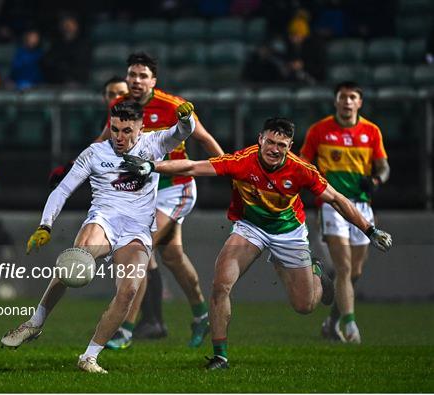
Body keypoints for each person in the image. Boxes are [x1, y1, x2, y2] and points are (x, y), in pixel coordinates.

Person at [120, 117, 392, 369]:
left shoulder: (301, 170)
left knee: (305, 305)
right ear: (260, 138)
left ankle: (317, 275)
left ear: (290, 147)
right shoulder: (242, 160)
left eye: (281, 145)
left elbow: (337, 199)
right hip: (250, 228)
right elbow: (193, 167)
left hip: (289, 234)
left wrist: (370, 230)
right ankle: (220, 355)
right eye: (270, 142)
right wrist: (152, 166)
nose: (274, 149)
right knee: (220, 283)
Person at [1, 100, 197, 374]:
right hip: (103, 221)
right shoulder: (95, 153)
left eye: (127, 130)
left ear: (141, 127)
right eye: (115, 129)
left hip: (136, 232)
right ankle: (34, 323)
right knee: (73, 263)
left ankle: (89, 356)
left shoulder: (154, 144)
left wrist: (186, 118)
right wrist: (45, 225)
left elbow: (183, 131)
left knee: (128, 291)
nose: (120, 137)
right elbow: (63, 190)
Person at [97, 52, 224, 349]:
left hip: (175, 188)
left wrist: (231, 170)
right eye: (132, 75)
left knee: (138, 247)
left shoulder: (174, 106)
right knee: (171, 257)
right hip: (143, 190)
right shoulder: (121, 106)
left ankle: (126, 328)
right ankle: (202, 316)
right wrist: (74, 170)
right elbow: (102, 141)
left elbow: (204, 139)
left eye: (143, 76)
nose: (136, 81)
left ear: (154, 80)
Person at [300, 81, 390, 344]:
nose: (347, 102)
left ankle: (331, 322)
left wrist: (376, 181)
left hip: (362, 206)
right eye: (343, 97)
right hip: (332, 204)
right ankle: (350, 325)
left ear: (359, 102)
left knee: (355, 272)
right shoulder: (319, 130)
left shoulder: (371, 131)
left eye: (352, 97)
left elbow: (383, 166)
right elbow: (304, 162)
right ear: (336, 101)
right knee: (344, 266)